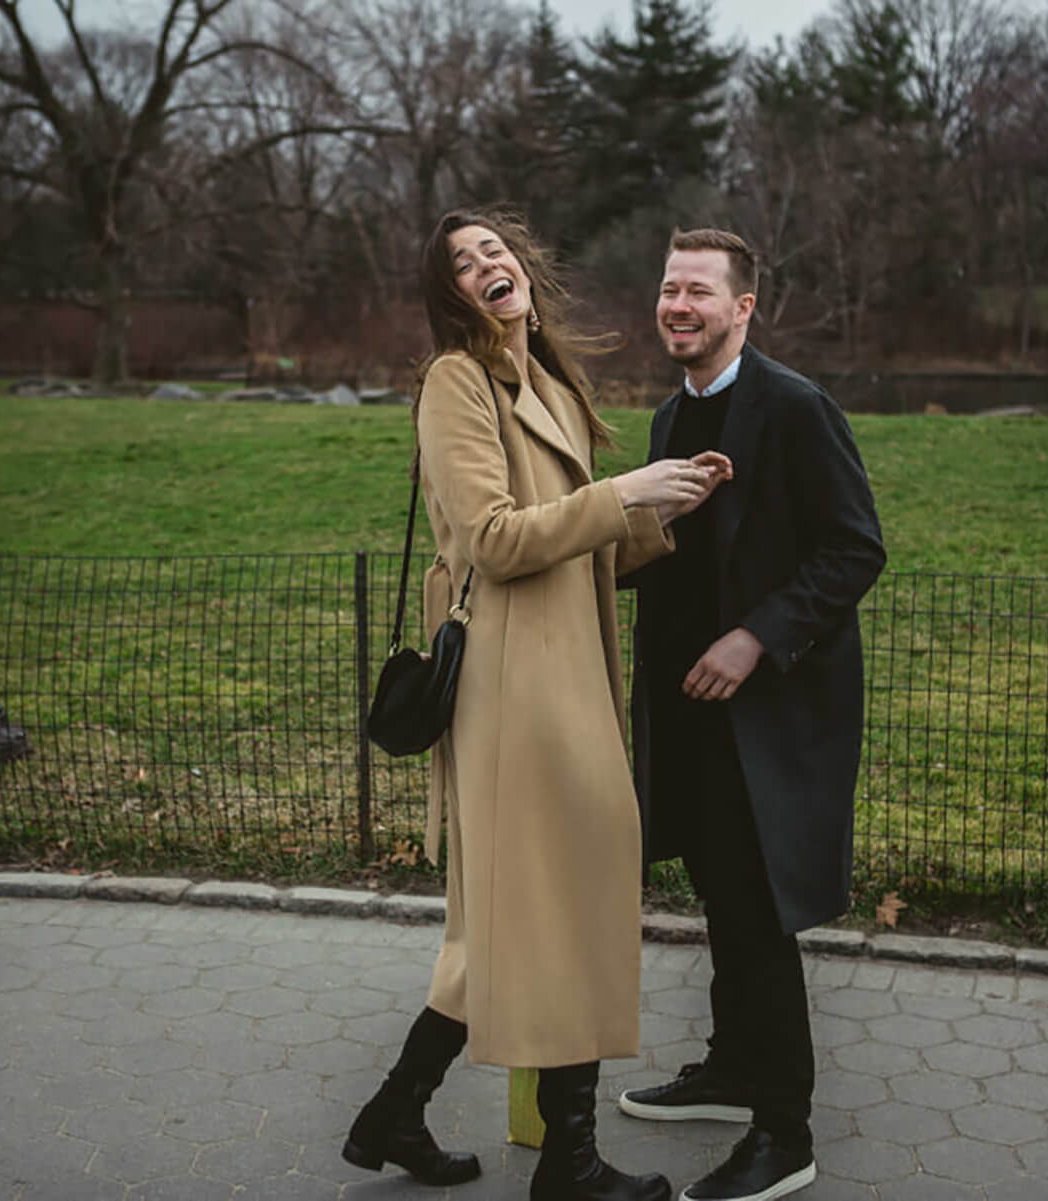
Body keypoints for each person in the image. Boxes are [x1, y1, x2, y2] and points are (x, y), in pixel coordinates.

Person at [342, 207, 730, 1201]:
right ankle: (570, 1162)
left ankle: (400, 1110)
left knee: (521, 921)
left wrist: (662, 505)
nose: (486, 267)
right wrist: (622, 490)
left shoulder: (549, 377)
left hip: (568, 671)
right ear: (452, 296)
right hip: (516, 685)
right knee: (555, 907)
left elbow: (583, 535)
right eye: (464, 264)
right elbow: (497, 540)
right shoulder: (454, 384)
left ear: (521, 268)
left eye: (494, 251)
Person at [617, 229, 886, 1201]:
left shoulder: (795, 409)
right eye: (667, 287)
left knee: (759, 911)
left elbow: (854, 550)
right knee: (719, 892)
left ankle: (785, 1131)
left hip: (768, 714)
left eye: (697, 290)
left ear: (744, 307)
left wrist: (756, 638)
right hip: (686, 714)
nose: (677, 304)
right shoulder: (665, 419)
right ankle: (732, 1068)